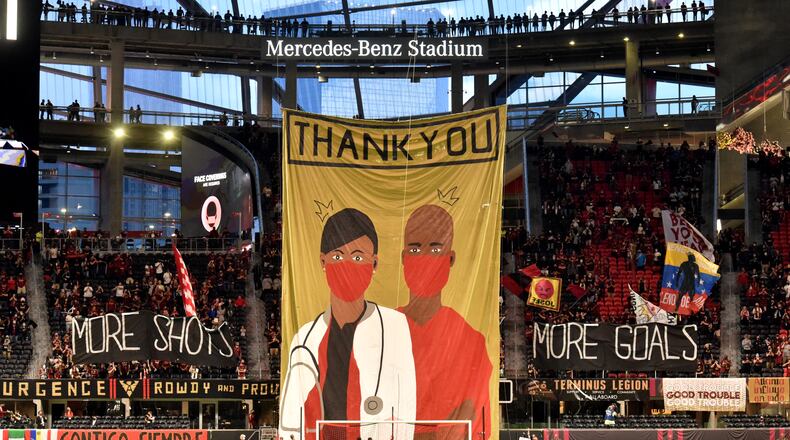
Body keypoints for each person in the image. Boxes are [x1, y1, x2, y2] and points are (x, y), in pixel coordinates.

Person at [278, 208, 416, 440]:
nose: (348, 265)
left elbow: (407, 404)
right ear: (323, 261)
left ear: (374, 264)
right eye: (338, 256)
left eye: (359, 257)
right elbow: (291, 417)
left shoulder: (395, 326)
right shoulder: (305, 338)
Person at [398, 205, 492, 440]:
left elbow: (468, 424)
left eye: (435, 249)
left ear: (450, 258)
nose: (425, 259)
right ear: (403, 258)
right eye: (415, 249)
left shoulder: (472, 341)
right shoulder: (382, 331)